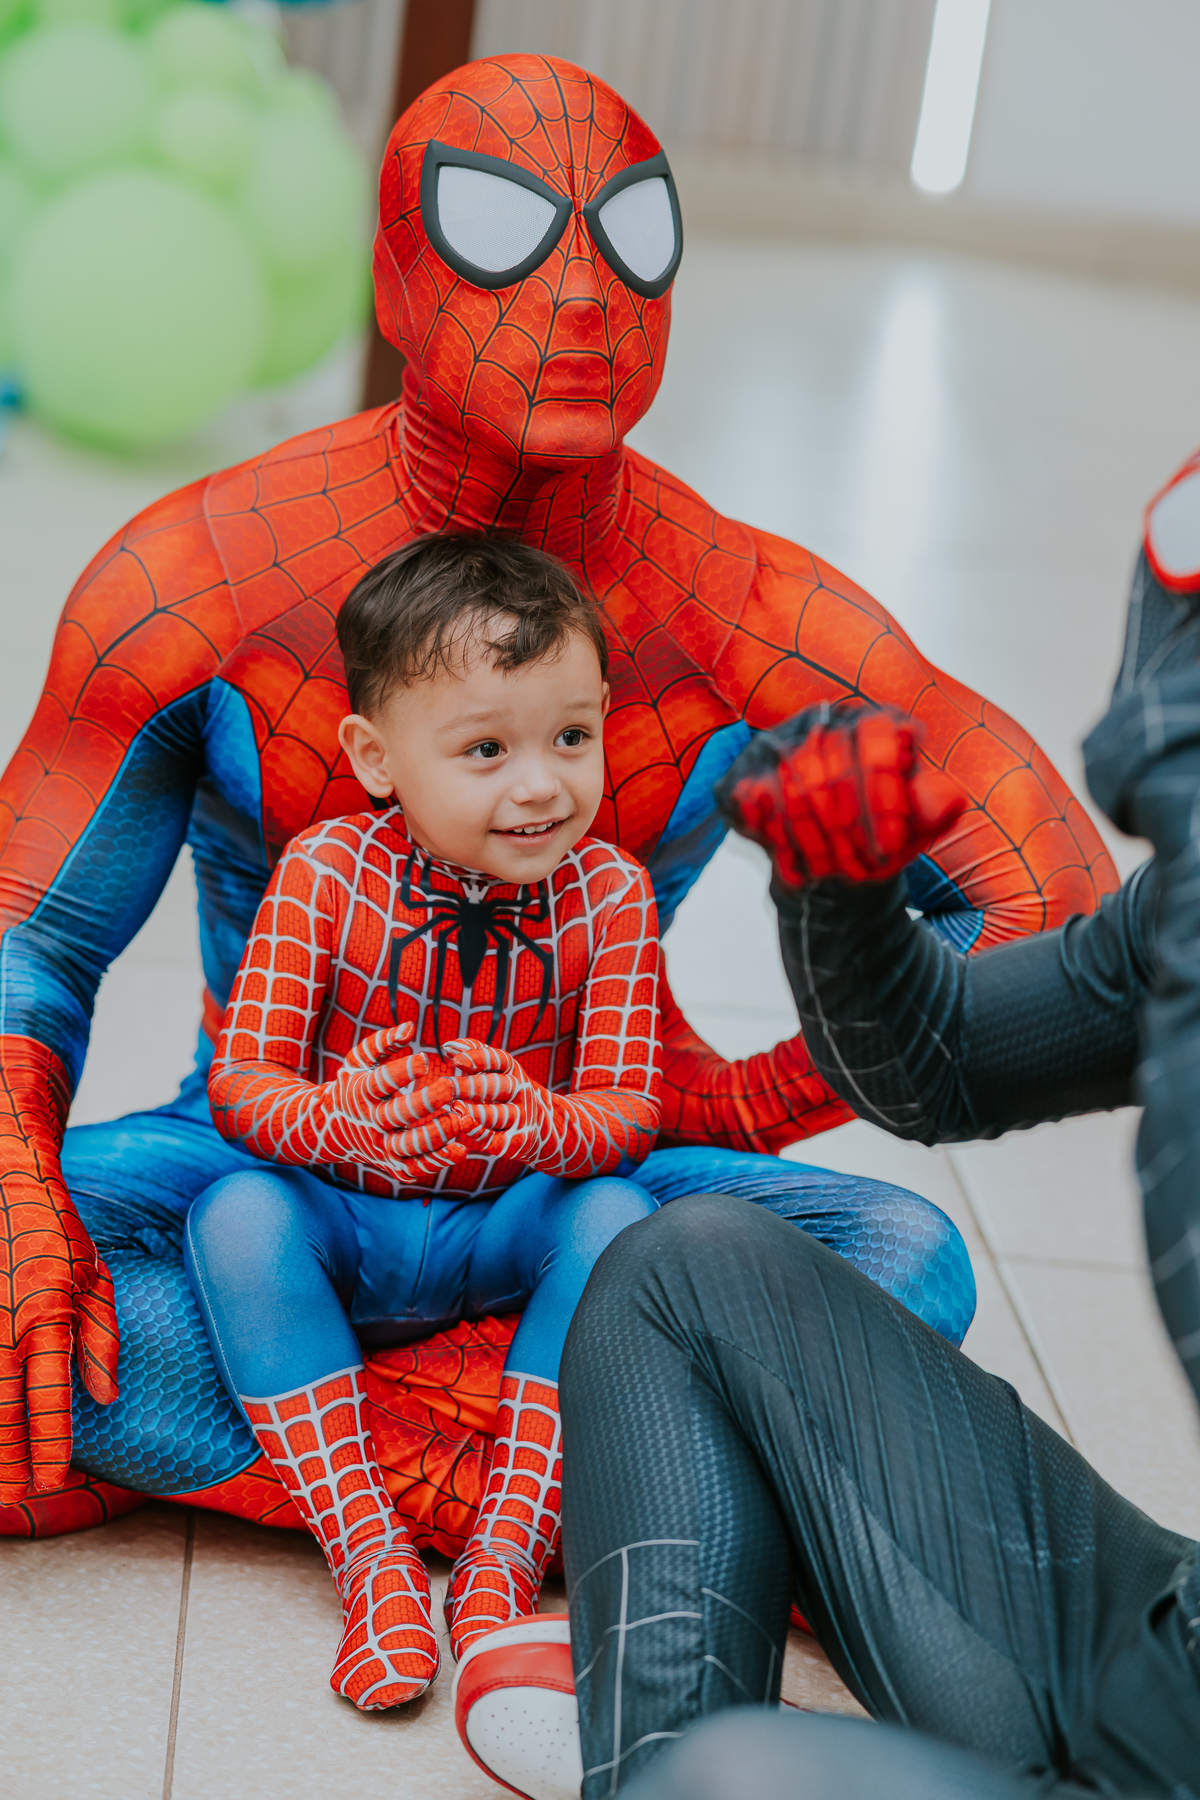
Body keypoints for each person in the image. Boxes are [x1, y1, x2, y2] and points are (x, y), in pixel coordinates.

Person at [0, 53, 1111, 1539]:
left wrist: (753, 1091)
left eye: (631, 234)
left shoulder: (742, 610)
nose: (586, 294)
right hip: (277, 1163)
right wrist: (19, 1191)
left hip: (589, 1177)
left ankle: (264, 1445)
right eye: (501, 226)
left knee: (911, 1258)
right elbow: (35, 941)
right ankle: (624, 1483)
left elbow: (1062, 912)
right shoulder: (201, 579)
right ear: (396, 278)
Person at [455, 538, 1200, 1797]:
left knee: (730, 1773)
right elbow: (944, 1066)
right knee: (676, 1270)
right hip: (1167, 1643)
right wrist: (838, 888)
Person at [188, 532, 667, 1706]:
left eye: (572, 736)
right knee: (232, 1214)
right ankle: (370, 1559)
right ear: (377, 757)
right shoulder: (324, 869)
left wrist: (538, 1128)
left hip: (497, 1229)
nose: (543, 784)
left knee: (617, 1215)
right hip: (347, 1217)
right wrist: (337, 1119)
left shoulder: (609, 894)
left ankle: (510, 1542)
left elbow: (628, 1110)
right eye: (486, 749)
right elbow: (242, 1088)